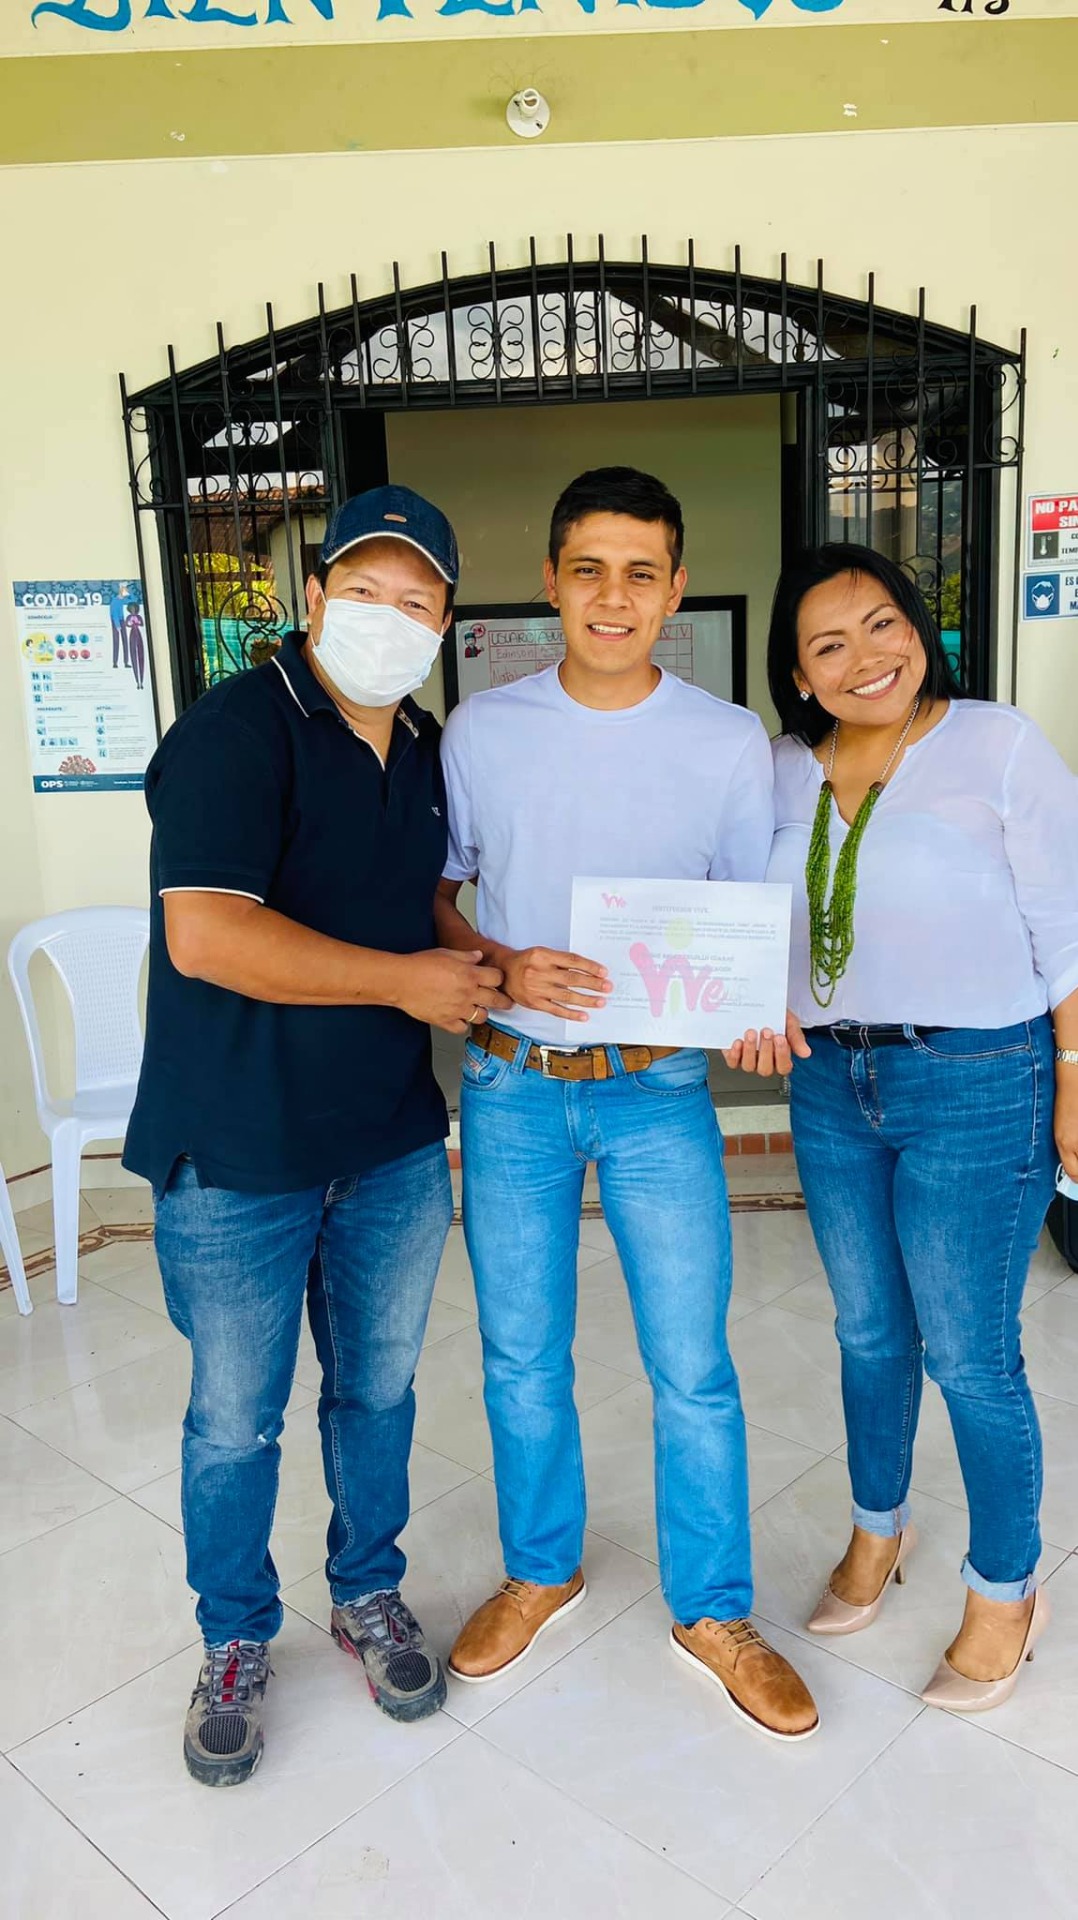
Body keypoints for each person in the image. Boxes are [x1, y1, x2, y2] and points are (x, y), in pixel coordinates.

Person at [124, 485, 509, 1786]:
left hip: (388, 1143)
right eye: (364, 592)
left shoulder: (427, 747)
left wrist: (490, 961)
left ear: (445, 621)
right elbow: (207, 935)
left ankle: (365, 1591)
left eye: (416, 600)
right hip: (236, 1153)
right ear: (313, 598)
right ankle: (235, 1635)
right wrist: (406, 983)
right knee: (235, 1419)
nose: (388, 618)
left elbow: (421, 903)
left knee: (377, 1393)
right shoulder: (236, 732)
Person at [434, 466, 819, 1742]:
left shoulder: (725, 741)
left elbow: (744, 916)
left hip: (657, 1090)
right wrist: (499, 963)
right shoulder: (482, 730)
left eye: (640, 572)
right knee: (519, 1352)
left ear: (674, 589)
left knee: (692, 1363)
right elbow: (440, 894)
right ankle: (540, 1568)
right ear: (551, 583)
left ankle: (713, 1610)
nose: (613, 596)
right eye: (589, 570)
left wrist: (753, 1003)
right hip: (512, 1086)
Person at [730, 543, 1078, 1710]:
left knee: (970, 1352)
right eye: (828, 644)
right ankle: (878, 1529)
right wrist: (743, 995)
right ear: (797, 671)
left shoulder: (994, 744)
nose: (864, 657)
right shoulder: (781, 768)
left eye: (882, 624)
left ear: (918, 627)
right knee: (869, 1334)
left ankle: (1005, 1588)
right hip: (833, 1085)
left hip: (979, 1079)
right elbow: (736, 907)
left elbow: (1068, 929)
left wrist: (1075, 1076)